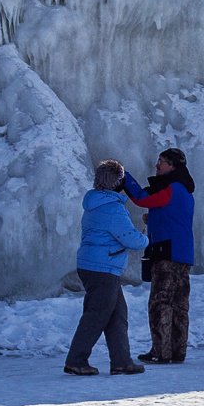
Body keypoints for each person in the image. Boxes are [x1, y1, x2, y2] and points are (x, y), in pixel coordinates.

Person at [64, 160, 148, 376]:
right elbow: (131, 239)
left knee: (117, 314)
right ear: (118, 184)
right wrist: (146, 237)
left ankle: (121, 361)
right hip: (102, 268)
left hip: (95, 266)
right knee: (97, 315)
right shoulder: (113, 209)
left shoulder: (96, 203)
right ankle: (76, 360)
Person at [124, 149, 196, 364]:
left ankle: (160, 352)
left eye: (162, 162)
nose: (157, 165)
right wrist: (154, 219)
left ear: (173, 166)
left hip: (167, 253)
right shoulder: (185, 192)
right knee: (179, 306)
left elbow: (141, 198)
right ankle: (177, 351)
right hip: (184, 254)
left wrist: (123, 175)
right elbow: (173, 217)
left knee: (160, 303)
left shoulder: (171, 188)